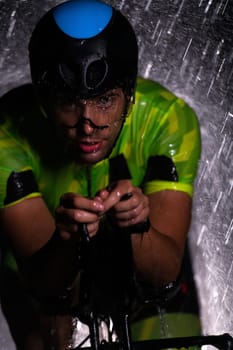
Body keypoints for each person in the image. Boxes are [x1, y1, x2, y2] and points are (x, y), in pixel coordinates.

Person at [0, 0, 201, 349]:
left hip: (139, 264)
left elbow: (164, 272)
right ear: (43, 99)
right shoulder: (6, 131)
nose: (87, 124)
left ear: (129, 95)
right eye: (67, 101)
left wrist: (139, 227)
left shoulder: (168, 118)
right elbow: (48, 288)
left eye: (105, 100)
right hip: (42, 269)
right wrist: (67, 239)